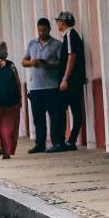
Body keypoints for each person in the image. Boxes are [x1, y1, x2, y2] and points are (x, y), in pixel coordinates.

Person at [22, 17, 63, 154]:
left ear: (49, 29)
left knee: (54, 116)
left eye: (44, 30)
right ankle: (40, 144)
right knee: (38, 118)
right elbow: (24, 61)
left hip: (51, 87)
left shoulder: (57, 45)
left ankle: (56, 142)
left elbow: (61, 63)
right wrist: (32, 62)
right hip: (35, 88)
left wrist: (48, 64)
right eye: (39, 30)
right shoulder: (32, 44)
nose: (41, 32)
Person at [56, 11, 86, 151]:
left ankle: (62, 142)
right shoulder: (71, 36)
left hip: (70, 82)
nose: (57, 23)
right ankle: (70, 140)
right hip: (75, 80)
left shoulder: (69, 35)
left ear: (64, 22)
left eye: (59, 21)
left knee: (61, 109)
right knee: (74, 110)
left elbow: (71, 57)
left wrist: (65, 79)